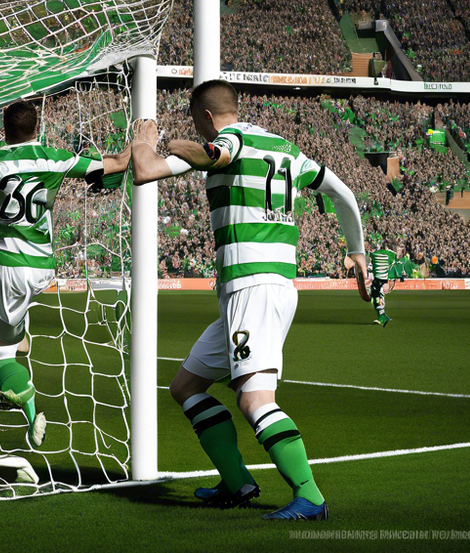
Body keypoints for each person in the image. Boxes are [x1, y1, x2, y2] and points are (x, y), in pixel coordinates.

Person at [130, 80, 369, 521]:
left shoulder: (232, 140)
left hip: (252, 286)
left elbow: (154, 169)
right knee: (185, 387)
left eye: (196, 123)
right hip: (260, 287)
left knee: (254, 400)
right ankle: (237, 480)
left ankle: (310, 497)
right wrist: (357, 250)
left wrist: (147, 140)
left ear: (205, 116)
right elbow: (343, 192)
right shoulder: (286, 149)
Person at [0, 99, 131, 448]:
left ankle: (20, 393)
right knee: (12, 338)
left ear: (3, 128)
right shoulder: (56, 158)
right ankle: (18, 394)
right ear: (37, 127)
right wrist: (143, 138)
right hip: (44, 268)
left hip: (12, 267)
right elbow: (118, 163)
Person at [368, 243, 399, 326]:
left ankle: (382, 317)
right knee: (377, 296)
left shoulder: (374, 254)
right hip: (384, 279)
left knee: (377, 297)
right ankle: (383, 315)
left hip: (379, 279)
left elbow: (371, 267)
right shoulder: (392, 255)